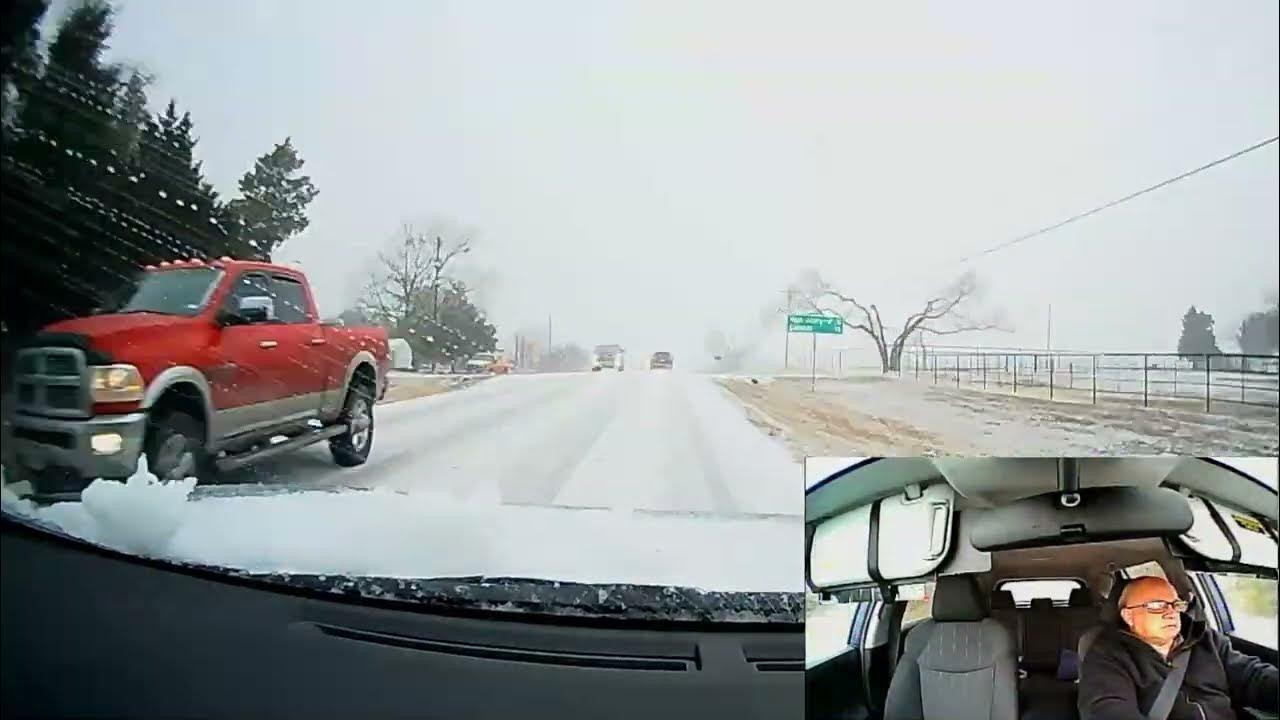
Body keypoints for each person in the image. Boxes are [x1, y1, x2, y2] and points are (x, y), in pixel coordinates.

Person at [1078, 575, 1278, 720]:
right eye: (1157, 606)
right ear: (1128, 616)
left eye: (1175, 604)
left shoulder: (1205, 640)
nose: (1171, 613)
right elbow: (1108, 710)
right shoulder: (1108, 654)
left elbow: (1253, 677)